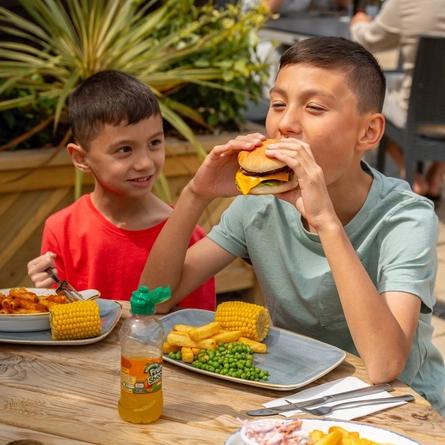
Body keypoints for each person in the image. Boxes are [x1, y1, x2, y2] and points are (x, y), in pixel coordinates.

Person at [140, 37, 445, 414]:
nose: (285, 124)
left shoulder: (406, 217)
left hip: (401, 407)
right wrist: (195, 194)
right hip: (295, 397)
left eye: (314, 107)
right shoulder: (260, 203)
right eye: (278, 104)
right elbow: (155, 299)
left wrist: (325, 222)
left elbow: (385, 365)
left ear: (368, 132)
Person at [27, 69, 215, 311]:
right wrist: (43, 293)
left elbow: (197, 328)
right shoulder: (61, 229)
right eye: (125, 149)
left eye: (154, 143)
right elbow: (58, 317)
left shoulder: (190, 235)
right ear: (81, 158)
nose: (145, 163)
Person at [350, 0, 445, 202]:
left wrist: (358, 23)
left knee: (369, 99)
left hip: (420, 114)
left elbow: (370, 40)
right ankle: (436, 176)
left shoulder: (405, 3)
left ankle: (410, 173)